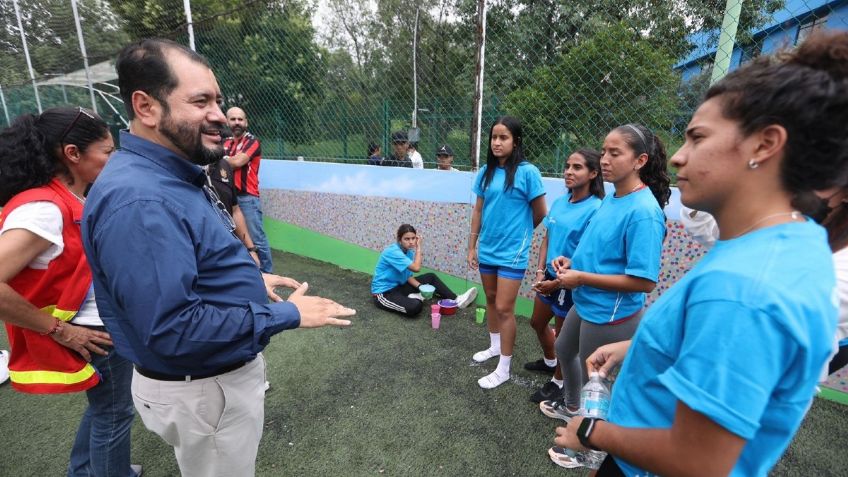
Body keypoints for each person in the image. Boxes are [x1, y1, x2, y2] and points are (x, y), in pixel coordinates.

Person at [555, 31, 848, 476]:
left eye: (696, 137)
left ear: (764, 144)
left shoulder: (746, 286)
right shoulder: (781, 244)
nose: (676, 156)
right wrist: (636, 348)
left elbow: (698, 461)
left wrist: (593, 433)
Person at [81, 38, 355, 477]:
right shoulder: (140, 200)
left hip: (206, 385)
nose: (219, 116)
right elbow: (172, 329)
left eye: (219, 100)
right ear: (146, 107)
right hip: (202, 390)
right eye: (200, 101)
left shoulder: (169, 175)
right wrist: (283, 314)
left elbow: (189, 261)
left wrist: (248, 281)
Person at [0, 107, 140, 476]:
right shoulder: (44, 209)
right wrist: (60, 329)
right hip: (91, 330)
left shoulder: (68, 198)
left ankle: (83, 472)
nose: (114, 159)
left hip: (98, 324)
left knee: (106, 408)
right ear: (73, 154)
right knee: (114, 412)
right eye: (107, 152)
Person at [540, 123, 670, 454]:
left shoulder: (644, 213)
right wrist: (572, 263)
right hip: (586, 302)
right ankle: (572, 409)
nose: (605, 159)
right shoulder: (613, 198)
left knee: (594, 381)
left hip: (609, 313)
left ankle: (583, 448)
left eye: (615, 153)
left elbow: (644, 281)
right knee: (565, 350)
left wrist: (581, 278)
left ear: (640, 160)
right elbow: (600, 252)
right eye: (604, 151)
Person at [467, 116, 547, 389]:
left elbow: (540, 213)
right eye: (494, 137)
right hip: (487, 248)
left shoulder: (528, 172)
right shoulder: (486, 172)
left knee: (504, 308)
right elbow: (478, 210)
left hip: (512, 252)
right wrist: (471, 246)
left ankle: (504, 367)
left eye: (504, 137)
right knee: (490, 299)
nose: (497, 143)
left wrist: (520, 236)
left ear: (516, 141)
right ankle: (494, 346)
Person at [526, 149, 604, 403]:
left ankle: (558, 381)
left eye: (577, 167)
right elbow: (547, 238)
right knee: (537, 323)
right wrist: (540, 272)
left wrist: (557, 282)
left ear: (593, 173)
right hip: (547, 277)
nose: (569, 172)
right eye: (568, 166)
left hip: (569, 282)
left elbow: (587, 256)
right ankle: (550, 363)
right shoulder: (560, 202)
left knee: (563, 341)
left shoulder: (596, 209)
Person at [372, 224, 477, 317]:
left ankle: (456, 299)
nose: (411, 242)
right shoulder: (393, 252)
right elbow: (417, 268)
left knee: (430, 277)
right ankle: (415, 298)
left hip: (400, 287)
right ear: (399, 240)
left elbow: (408, 276)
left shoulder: (408, 252)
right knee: (415, 307)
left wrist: (421, 287)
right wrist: (419, 248)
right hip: (384, 293)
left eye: (413, 238)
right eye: (407, 239)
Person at [223, 106, 274, 273]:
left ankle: (267, 274)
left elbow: (238, 162)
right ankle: (247, 274)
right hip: (229, 197)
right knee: (234, 238)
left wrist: (220, 159)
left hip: (247, 198)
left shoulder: (252, 141)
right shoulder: (226, 143)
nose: (237, 122)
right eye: (233, 119)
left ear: (246, 122)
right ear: (227, 121)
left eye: (240, 119)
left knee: (256, 239)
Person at [205, 158, 261, 267]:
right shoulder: (182, 164)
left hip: (227, 249)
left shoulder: (224, 165)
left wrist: (251, 249)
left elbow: (235, 210)